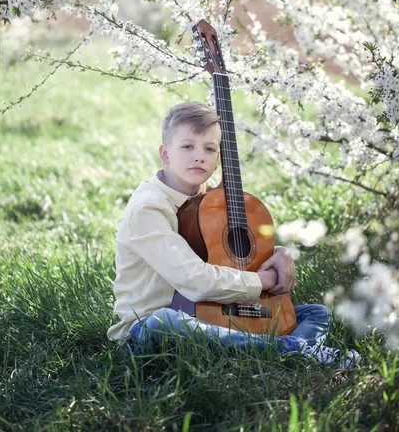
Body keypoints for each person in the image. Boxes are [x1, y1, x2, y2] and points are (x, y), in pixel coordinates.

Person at [107, 101, 360, 367]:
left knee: (317, 313)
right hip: (149, 330)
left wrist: (278, 253)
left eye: (209, 148)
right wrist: (264, 279)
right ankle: (294, 349)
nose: (199, 156)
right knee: (165, 321)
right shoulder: (148, 209)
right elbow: (195, 280)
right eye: (187, 146)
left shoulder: (207, 196)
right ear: (165, 154)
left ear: (219, 158)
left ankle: (284, 350)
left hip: (207, 312)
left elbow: (219, 249)